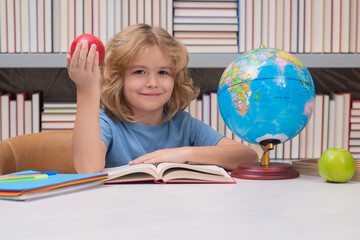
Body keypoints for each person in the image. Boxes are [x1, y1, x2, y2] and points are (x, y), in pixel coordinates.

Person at [66, 24, 258, 174]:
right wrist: (87, 89)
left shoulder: (184, 125)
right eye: (139, 72)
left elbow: (248, 157)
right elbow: (88, 167)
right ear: (119, 78)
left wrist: (183, 153)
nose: (153, 82)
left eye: (163, 72)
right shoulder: (106, 123)